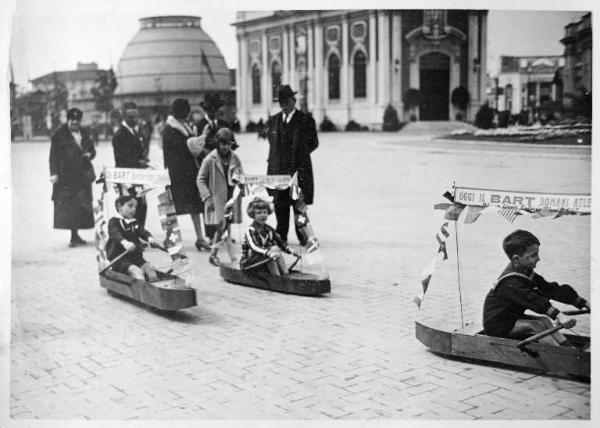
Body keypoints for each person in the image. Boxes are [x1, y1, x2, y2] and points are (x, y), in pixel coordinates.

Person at [483, 229, 590, 346]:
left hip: (512, 318)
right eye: (533, 255)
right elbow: (534, 300)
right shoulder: (510, 282)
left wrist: (581, 302)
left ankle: (569, 349)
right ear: (516, 259)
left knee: (544, 320)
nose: (538, 258)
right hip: (497, 326)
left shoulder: (525, 271)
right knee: (535, 326)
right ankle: (561, 356)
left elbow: (550, 289)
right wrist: (559, 316)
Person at [263, 85, 319, 244]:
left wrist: (300, 156)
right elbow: (271, 143)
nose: (284, 105)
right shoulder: (273, 121)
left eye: (286, 101)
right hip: (278, 172)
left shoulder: (306, 120)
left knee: (299, 204)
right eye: (281, 102)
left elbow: (314, 143)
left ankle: (303, 235)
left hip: (298, 170)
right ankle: (282, 235)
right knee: (280, 205)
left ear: (293, 101)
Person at [162, 98, 211, 251]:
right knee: (173, 206)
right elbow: (186, 147)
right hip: (177, 174)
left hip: (187, 173)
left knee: (193, 205)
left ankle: (200, 237)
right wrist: (202, 137)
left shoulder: (181, 126)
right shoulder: (170, 129)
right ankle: (170, 237)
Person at [49, 107, 96, 247]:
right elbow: (53, 156)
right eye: (72, 119)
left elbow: (92, 149)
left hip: (82, 175)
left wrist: (90, 155)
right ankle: (73, 237)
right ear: (68, 120)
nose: (74, 122)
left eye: (77, 120)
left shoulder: (84, 132)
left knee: (81, 205)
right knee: (70, 206)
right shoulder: (59, 134)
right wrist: (54, 173)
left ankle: (76, 235)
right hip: (66, 176)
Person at [196, 128, 243, 266]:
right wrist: (207, 197)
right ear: (217, 143)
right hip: (216, 199)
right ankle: (225, 257)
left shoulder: (235, 158)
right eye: (223, 144)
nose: (225, 147)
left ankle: (220, 256)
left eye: (228, 144)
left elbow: (241, 175)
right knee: (222, 226)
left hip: (231, 197)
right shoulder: (209, 159)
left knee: (225, 227)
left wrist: (242, 186)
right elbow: (200, 179)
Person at [112, 101, 149, 227]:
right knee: (129, 206)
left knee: (142, 204)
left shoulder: (137, 132)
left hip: (137, 175)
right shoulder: (119, 135)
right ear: (124, 116)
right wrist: (138, 162)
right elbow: (120, 159)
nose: (134, 119)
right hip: (126, 177)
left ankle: (139, 232)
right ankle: (132, 234)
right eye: (130, 116)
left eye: (135, 116)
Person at [105, 195, 158, 281]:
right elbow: (115, 234)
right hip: (119, 258)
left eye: (135, 207)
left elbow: (142, 232)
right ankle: (142, 289)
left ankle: (156, 287)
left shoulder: (134, 222)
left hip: (135, 256)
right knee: (137, 272)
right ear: (119, 207)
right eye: (130, 206)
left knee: (150, 269)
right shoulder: (114, 221)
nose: (134, 209)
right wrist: (124, 242)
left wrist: (149, 238)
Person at [240, 198, 298, 276]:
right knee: (272, 254)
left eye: (265, 212)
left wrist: (289, 249)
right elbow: (254, 247)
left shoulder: (269, 229)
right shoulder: (250, 231)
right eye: (259, 213)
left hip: (263, 258)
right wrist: (268, 253)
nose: (263, 215)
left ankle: (285, 274)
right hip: (249, 263)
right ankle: (277, 278)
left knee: (276, 250)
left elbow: (279, 241)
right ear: (253, 215)